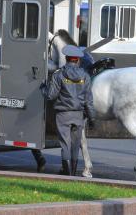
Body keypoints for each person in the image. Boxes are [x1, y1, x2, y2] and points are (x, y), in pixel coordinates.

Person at [40, 45, 95, 176]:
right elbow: (89, 100)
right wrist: (92, 118)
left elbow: (50, 95)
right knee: (76, 145)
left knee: (65, 144)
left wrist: (43, 87)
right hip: (78, 115)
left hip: (63, 115)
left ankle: (67, 173)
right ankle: (74, 174)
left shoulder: (58, 75)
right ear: (78, 60)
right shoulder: (86, 77)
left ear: (66, 58)